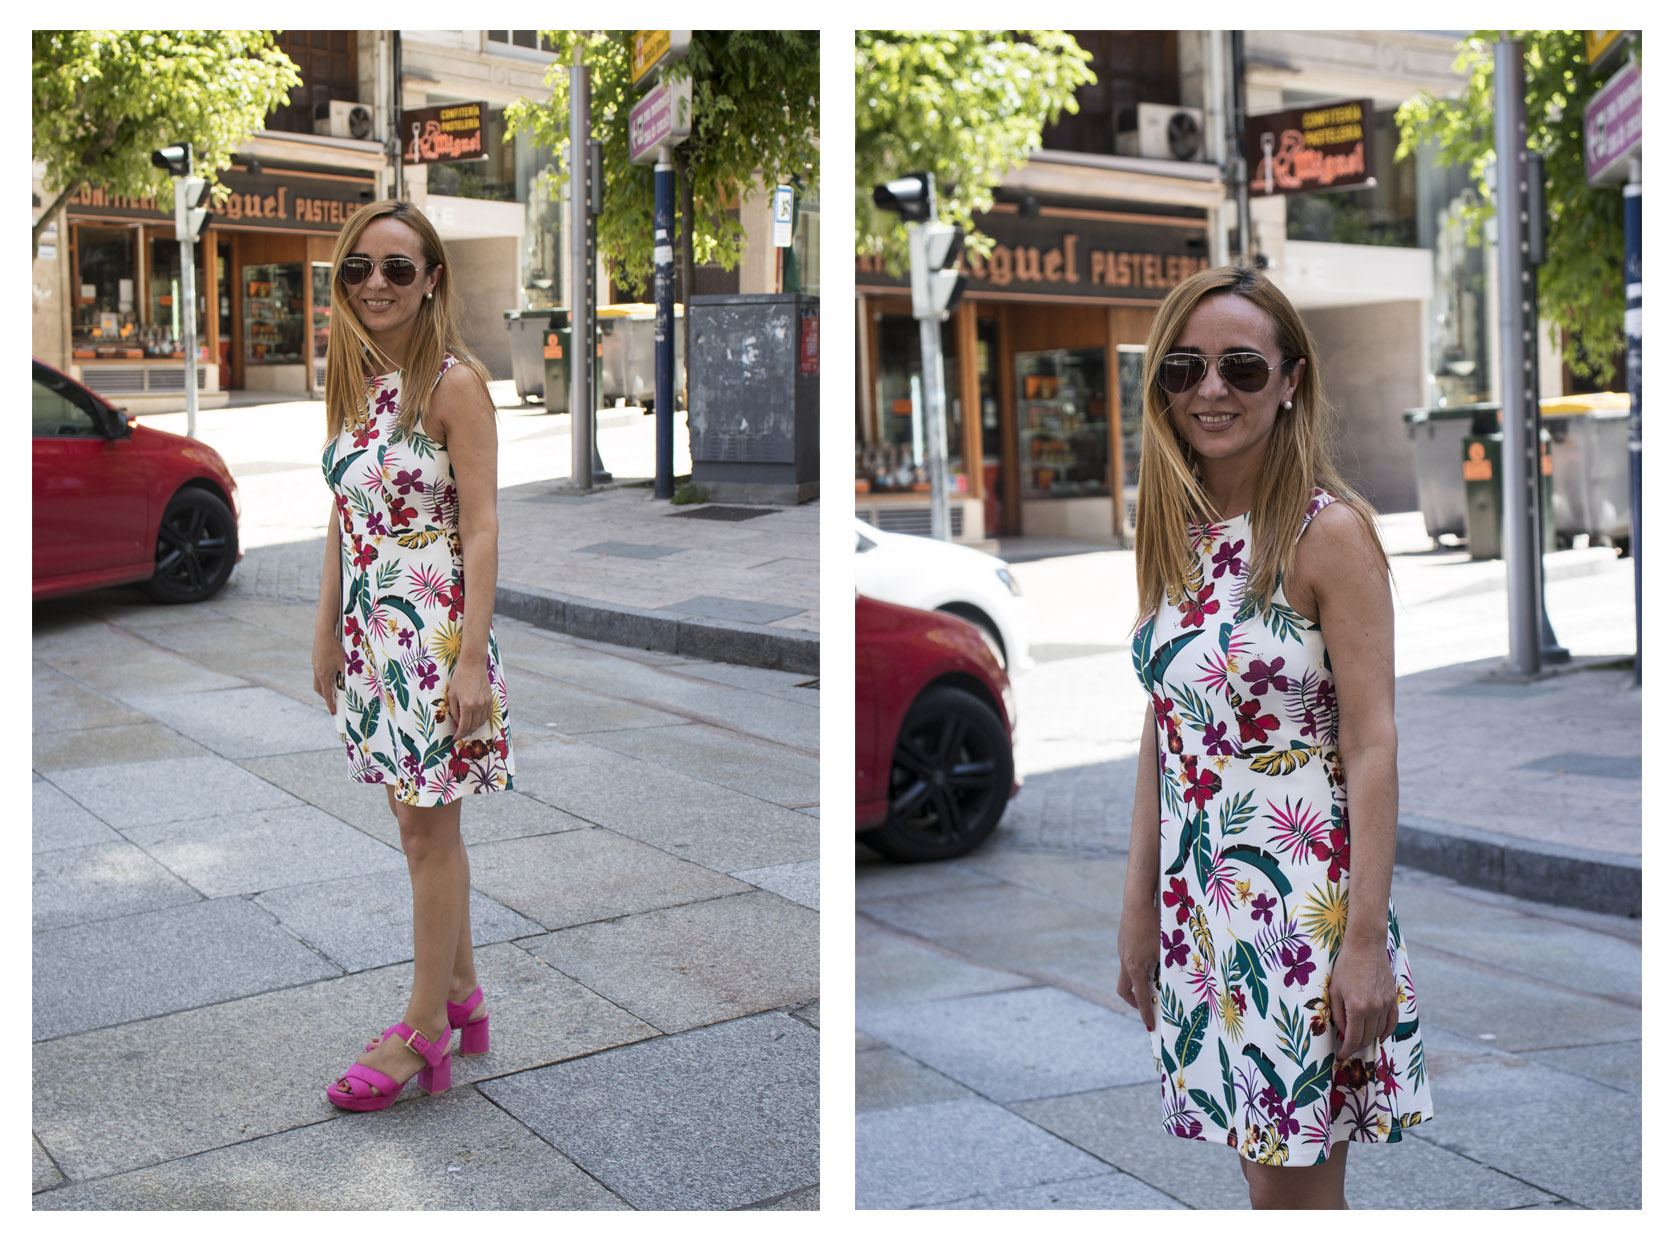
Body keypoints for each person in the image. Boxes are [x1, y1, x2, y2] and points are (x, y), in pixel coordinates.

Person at [1114, 266, 1434, 1207]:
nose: (1211, 390)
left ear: (1290, 379)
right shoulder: (1176, 529)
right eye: (1185, 368)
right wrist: (1140, 911)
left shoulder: (1327, 535)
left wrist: (1364, 941)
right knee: (1263, 1187)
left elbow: (1373, 743)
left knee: (1292, 1199)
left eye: (1241, 368)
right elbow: (1162, 728)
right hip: (1204, 908)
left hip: (1302, 917)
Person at [310, 200, 516, 1112]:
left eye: (397, 267)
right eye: (358, 268)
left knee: (429, 832)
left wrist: (471, 661)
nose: (376, 284)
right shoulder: (358, 381)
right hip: (370, 639)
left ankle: (424, 1028)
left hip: (432, 638)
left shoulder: (453, 383)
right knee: (415, 828)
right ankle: (463, 994)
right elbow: (342, 513)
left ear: (433, 277)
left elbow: (481, 526)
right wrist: (325, 630)